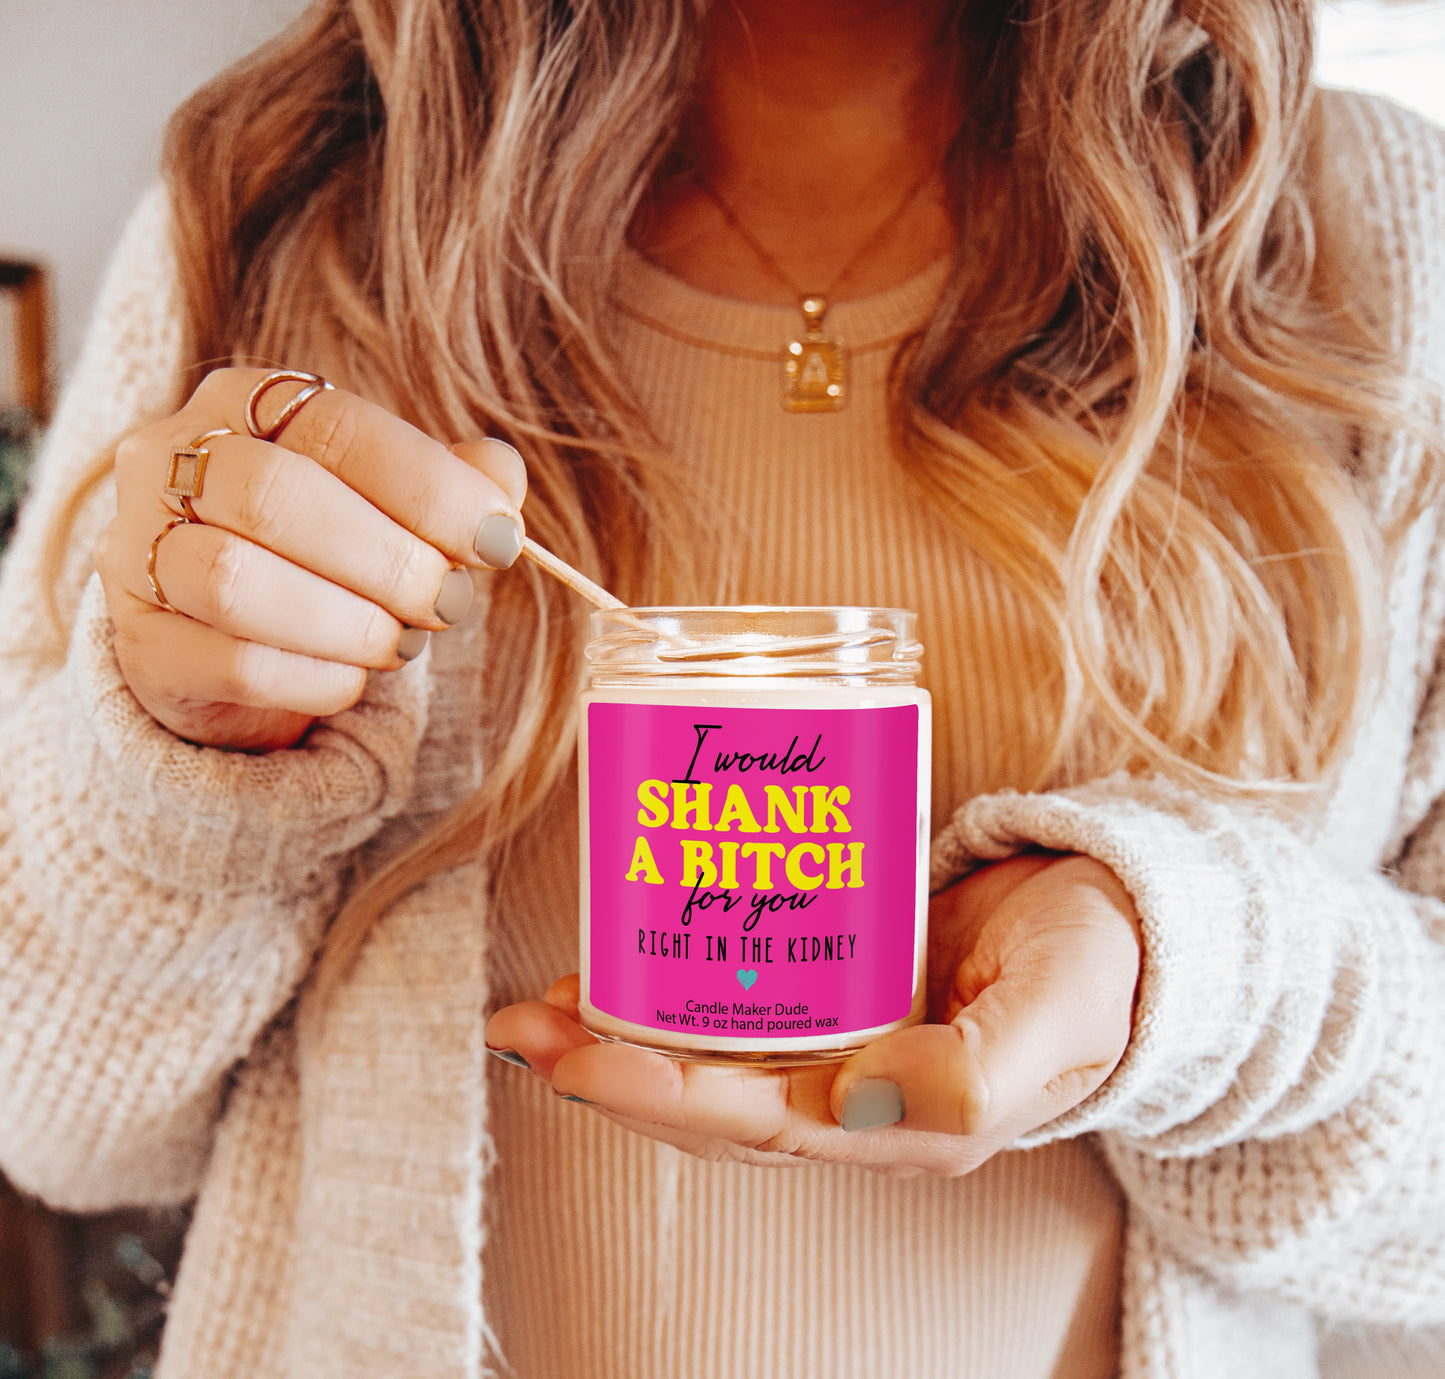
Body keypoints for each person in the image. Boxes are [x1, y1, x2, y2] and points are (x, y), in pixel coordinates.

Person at [1, 0, 1442, 1375]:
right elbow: (52, 1114)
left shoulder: (1372, 235)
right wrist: (184, 775)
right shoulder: (277, 218)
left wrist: (1199, 986)